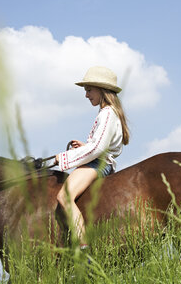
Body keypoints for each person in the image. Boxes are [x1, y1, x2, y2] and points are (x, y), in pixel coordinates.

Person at [55, 66, 130, 248]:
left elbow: (98, 149)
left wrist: (64, 157)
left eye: (89, 90)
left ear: (102, 90)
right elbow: (98, 145)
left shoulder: (107, 113)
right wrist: (84, 146)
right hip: (99, 160)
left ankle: (83, 249)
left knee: (64, 197)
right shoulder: (109, 113)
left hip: (98, 163)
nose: (86, 95)